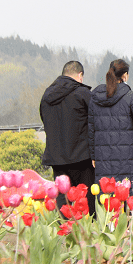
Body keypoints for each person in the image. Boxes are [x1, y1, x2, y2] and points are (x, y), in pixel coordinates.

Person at [40, 61, 95, 216]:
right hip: (83, 158)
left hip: (57, 159)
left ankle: (66, 236)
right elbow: (94, 123)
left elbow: (45, 121)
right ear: (80, 75)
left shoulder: (47, 96)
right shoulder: (83, 94)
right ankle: (87, 237)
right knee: (87, 204)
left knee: (63, 203)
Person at [88, 59, 133, 183]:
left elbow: (91, 129)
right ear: (125, 75)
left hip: (104, 157)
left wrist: (93, 155)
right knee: (131, 195)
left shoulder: (95, 98)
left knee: (109, 197)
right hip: (130, 156)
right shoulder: (131, 97)